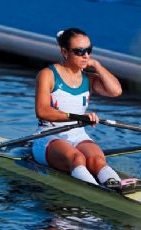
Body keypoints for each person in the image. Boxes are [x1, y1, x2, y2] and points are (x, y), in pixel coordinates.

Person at [32, 28, 122, 185]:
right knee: (77, 158)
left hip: (78, 135)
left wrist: (97, 65)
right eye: (79, 51)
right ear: (65, 52)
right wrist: (80, 118)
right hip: (49, 136)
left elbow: (116, 91)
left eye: (89, 50)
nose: (86, 55)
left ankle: (114, 185)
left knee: (97, 159)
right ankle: (96, 191)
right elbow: (42, 111)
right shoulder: (48, 75)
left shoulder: (89, 79)